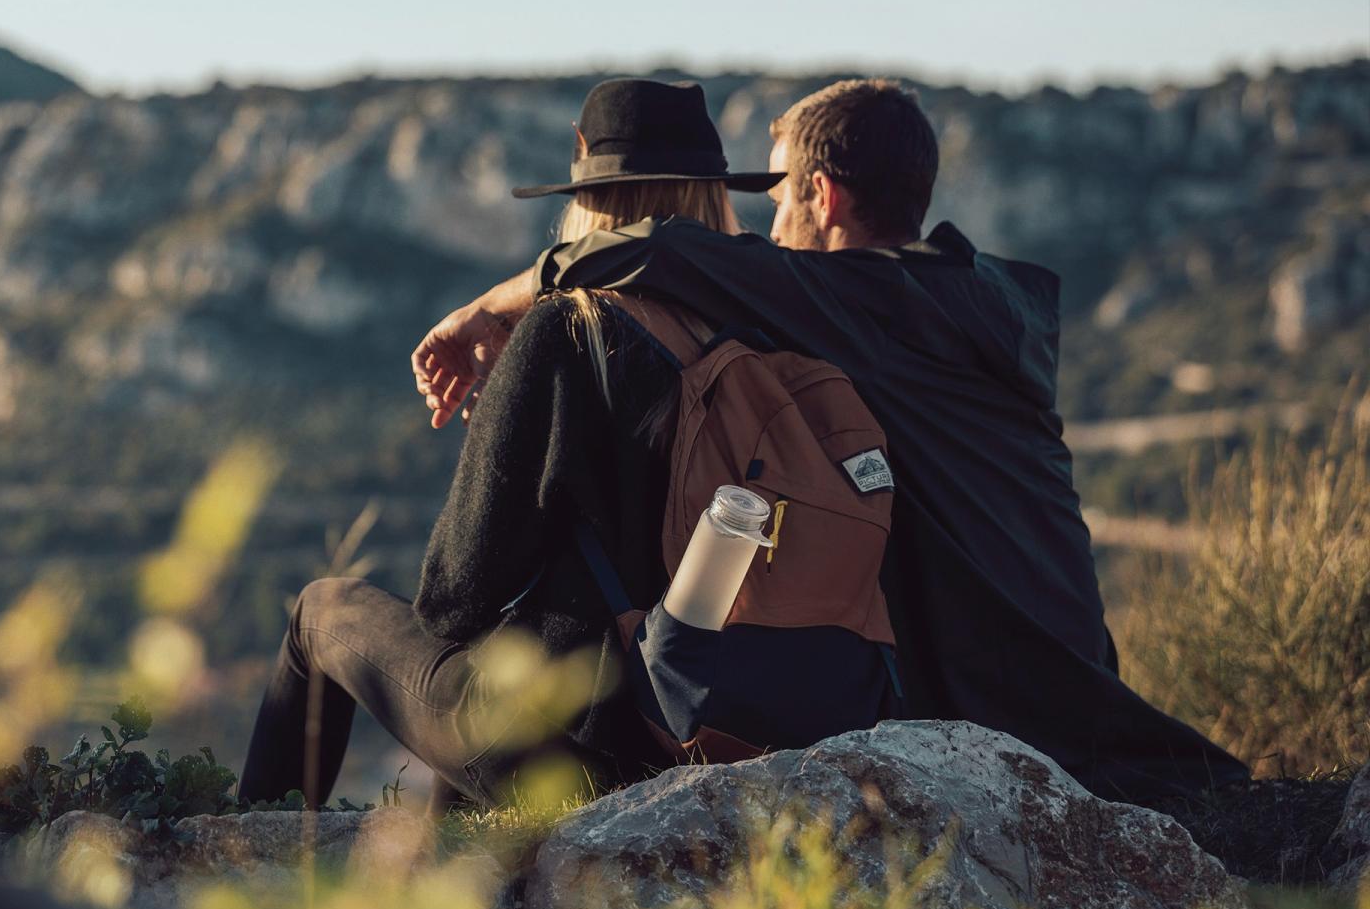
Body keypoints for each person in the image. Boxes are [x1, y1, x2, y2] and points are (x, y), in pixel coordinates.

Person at [413, 79, 1251, 802]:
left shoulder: (863, 304)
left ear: (825, 197)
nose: (766, 233)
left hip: (993, 725)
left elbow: (654, 247)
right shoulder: (980, 303)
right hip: (1088, 701)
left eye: (778, 206)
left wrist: (486, 309)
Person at [238, 79, 903, 810]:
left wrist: (507, 427)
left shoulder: (569, 331)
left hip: (569, 754)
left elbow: (451, 601)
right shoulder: (774, 337)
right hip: (705, 734)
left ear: (585, 179)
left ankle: (245, 860)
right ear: (715, 193)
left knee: (319, 611)